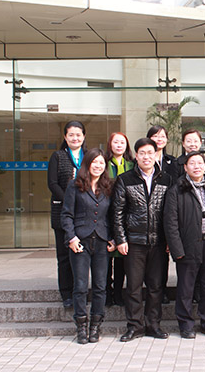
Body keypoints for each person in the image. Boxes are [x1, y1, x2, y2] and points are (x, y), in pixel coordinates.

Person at [112, 137, 172, 342]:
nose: (146, 157)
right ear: (136, 156)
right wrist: (121, 239)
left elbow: (171, 213)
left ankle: (153, 324)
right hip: (134, 242)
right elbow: (117, 212)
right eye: (142, 153)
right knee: (134, 287)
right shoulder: (125, 179)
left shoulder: (166, 179)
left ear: (156, 155)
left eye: (150, 153)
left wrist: (170, 241)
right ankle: (135, 326)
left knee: (156, 286)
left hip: (159, 242)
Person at [164, 151, 205, 339]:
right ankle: (186, 324)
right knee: (186, 288)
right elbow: (170, 223)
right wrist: (177, 249)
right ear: (185, 167)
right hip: (188, 245)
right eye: (192, 163)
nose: (197, 166)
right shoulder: (177, 190)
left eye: (200, 163)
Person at [61, 148, 115, 344]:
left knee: (100, 286)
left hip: (101, 241)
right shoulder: (74, 185)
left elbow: (112, 216)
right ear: (87, 164)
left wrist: (113, 238)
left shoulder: (108, 186)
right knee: (81, 286)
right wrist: (71, 238)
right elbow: (66, 214)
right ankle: (81, 326)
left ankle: (95, 326)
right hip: (80, 241)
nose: (98, 166)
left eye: (101, 163)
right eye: (94, 162)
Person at [48, 120, 86, 308]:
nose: (75, 138)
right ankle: (66, 293)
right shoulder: (58, 156)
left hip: (85, 214)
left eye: (78, 135)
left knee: (82, 255)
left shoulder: (88, 157)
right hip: (62, 211)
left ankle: (80, 290)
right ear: (65, 137)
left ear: (83, 136)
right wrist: (69, 200)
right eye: (71, 135)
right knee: (64, 256)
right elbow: (52, 183)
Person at [146, 125, 177, 305]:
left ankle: (162, 290)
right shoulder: (142, 160)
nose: (159, 139)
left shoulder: (172, 162)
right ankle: (150, 289)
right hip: (147, 214)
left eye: (162, 136)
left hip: (167, 212)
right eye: (155, 136)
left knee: (162, 256)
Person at [104, 132, 134, 307]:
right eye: (116, 142)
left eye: (122, 142)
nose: (119, 145)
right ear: (110, 144)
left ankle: (118, 293)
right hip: (106, 213)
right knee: (107, 259)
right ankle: (107, 293)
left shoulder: (131, 164)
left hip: (126, 215)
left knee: (122, 259)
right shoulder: (104, 164)